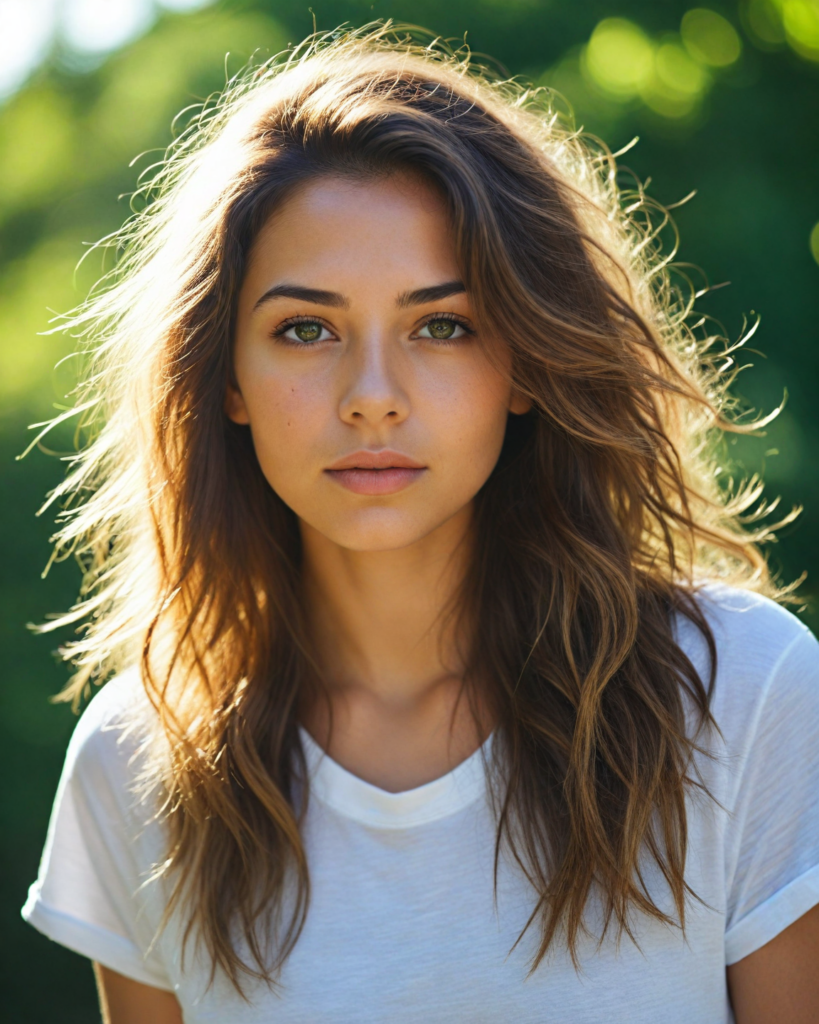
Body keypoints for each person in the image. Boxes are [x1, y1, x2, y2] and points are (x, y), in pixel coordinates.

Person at [21, 25, 819, 1024]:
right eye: (305, 329)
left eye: (441, 324)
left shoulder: (739, 694)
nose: (372, 397)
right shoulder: (139, 763)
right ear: (227, 376)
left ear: (524, 360)